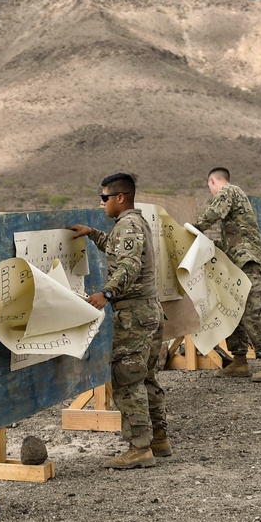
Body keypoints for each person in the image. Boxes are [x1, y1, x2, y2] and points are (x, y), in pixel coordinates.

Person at [69, 173, 170, 469]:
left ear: (120, 197)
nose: (101, 204)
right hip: (148, 311)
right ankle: (158, 439)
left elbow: (128, 264)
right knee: (146, 376)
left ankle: (139, 448)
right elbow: (120, 251)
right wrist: (93, 234)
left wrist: (107, 293)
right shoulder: (132, 224)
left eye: (104, 198)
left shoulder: (128, 225)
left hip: (135, 315)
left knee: (127, 379)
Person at [194, 166, 261, 382]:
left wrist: (193, 228)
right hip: (237, 263)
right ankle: (239, 361)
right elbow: (231, 239)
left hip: (248, 261)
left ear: (213, 181)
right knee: (231, 311)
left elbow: (212, 214)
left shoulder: (229, 191)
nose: (212, 192)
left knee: (251, 311)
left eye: (210, 187)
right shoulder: (233, 207)